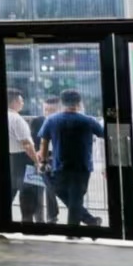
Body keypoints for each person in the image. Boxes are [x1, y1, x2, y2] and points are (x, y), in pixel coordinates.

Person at [37, 89, 105, 232]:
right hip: (82, 166)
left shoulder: (51, 120)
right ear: (79, 103)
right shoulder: (88, 120)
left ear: (62, 103)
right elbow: (103, 134)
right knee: (76, 198)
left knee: (64, 194)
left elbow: (44, 141)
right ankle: (82, 225)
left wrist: (43, 161)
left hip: (60, 165)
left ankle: (83, 225)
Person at [6, 90, 42, 223]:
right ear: (15, 102)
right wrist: (36, 161)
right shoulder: (16, 119)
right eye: (21, 101)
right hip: (24, 160)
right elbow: (26, 144)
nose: (22, 103)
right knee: (28, 194)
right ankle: (28, 224)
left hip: (11, 159)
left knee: (10, 192)